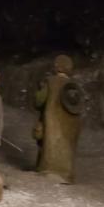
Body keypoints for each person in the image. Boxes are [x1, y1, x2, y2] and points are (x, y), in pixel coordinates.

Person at [34, 55, 83, 183]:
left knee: (49, 146)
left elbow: (38, 101)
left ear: (56, 67)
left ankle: (48, 170)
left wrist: (39, 90)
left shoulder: (50, 82)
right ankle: (65, 175)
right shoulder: (74, 86)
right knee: (66, 149)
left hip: (52, 122)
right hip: (71, 125)